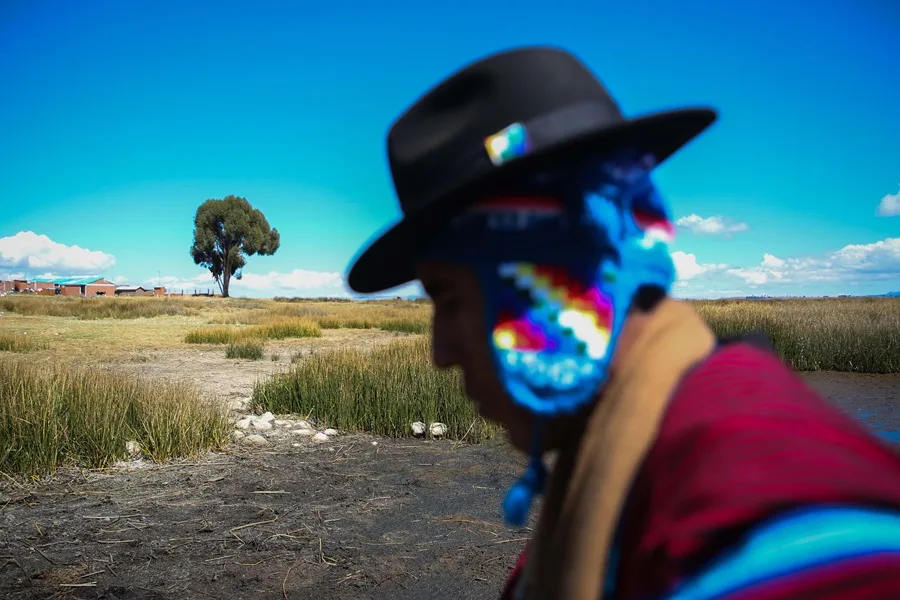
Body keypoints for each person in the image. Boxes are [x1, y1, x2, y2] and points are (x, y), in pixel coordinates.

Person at [346, 47, 900, 600]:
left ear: (546, 281)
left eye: (447, 298)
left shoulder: (764, 509)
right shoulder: (612, 473)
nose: (440, 353)